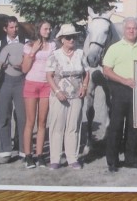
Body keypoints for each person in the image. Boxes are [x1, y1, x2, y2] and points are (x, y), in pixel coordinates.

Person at [102, 17, 137, 173]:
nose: (132, 31)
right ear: (124, 30)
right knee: (116, 126)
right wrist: (124, 81)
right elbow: (106, 70)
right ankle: (113, 160)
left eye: (134, 28)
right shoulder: (114, 48)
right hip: (119, 90)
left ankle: (131, 158)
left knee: (134, 126)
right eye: (129, 28)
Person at [46, 24, 90, 170]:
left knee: (73, 127)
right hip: (59, 96)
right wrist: (57, 91)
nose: (72, 40)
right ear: (61, 40)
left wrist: (84, 87)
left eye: (74, 37)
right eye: (68, 37)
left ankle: (72, 158)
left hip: (77, 95)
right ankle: (55, 159)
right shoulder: (54, 55)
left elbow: (87, 73)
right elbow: (49, 76)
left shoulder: (80, 53)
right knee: (57, 127)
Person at [0, 16, 27, 164]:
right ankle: (5, 151)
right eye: (11, 27)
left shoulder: (25, 43)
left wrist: (23, 65)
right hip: (4, 82)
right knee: (3, 116)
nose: (14, 30)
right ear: (5, 29)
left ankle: (24, 150)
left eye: (16, 27)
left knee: (23, 117)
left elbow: (30, 61)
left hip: (21, 82)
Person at [21, 20, 56, 169]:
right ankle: (28, 156)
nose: (48, 31)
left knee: (42, 122)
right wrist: (33, 51)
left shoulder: (53, 45)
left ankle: (40, 155)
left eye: (49, 29)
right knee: (30, 121)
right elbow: (24, 69)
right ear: (39, 29)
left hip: (46, 84)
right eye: (46, 28)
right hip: (31, 83)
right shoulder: (28, 45)